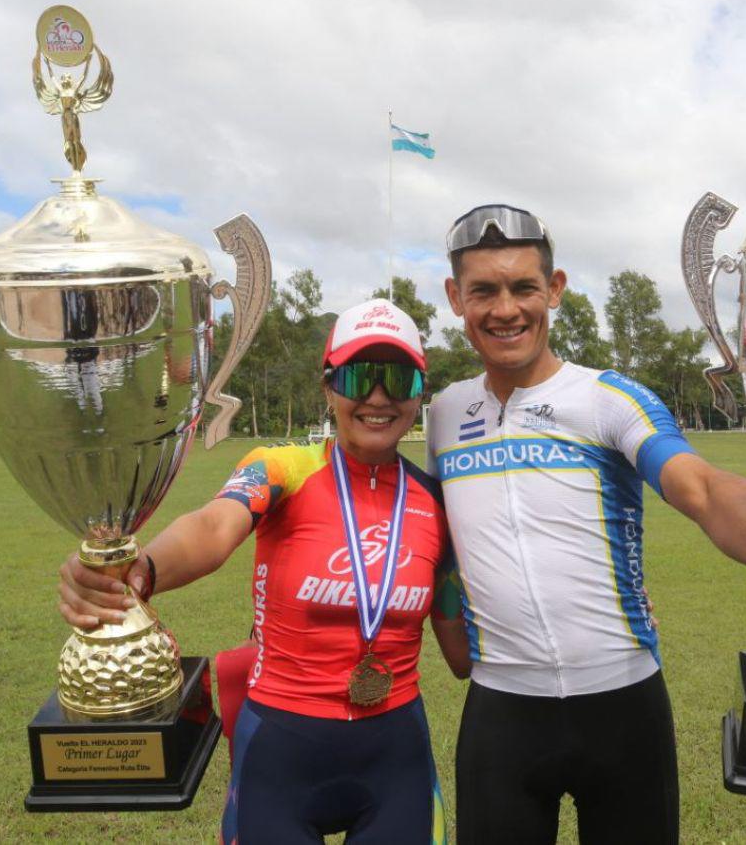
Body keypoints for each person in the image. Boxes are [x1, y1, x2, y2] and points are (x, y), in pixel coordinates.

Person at [427, 204, 746, 844]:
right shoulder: (444, 415)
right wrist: (448, 625)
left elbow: (696, 485)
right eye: (484, 291)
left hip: (621, 707)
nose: (505, 309)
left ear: (553, 291)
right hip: (501, 713)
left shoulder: (609, 398)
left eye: (523, 287)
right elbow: (444, 539)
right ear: (456, 297)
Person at [58, 299, 470, 844]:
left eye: (396, 378)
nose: (377, 396)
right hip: (280, 748)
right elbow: (213, 527)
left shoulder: (436, 502)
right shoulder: (280, 469)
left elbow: (463, 656)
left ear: (420, 392)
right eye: (358, 375)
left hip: (395, 755)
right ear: (329, 387)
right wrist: (139, 571)